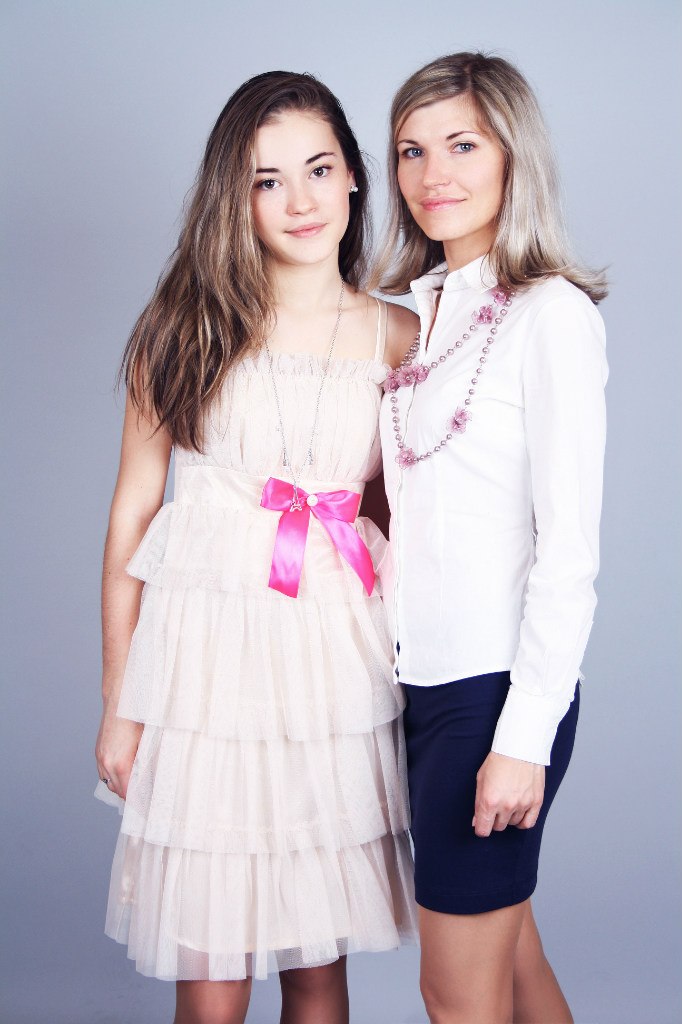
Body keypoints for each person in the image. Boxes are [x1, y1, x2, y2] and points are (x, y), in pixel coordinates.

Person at [95, 70, 419, 1024]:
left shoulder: (400, 336)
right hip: (205, 679)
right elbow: (131, 518)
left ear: (354, 175)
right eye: (267, 180)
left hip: (332, 676)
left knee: (318, 968)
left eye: (318, 169)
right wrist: (120, 703)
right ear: (232, 198)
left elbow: (400, 516)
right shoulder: (183, 329)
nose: (300, 200)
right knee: (213, 968)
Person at [374, 52, 608, 1024]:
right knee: (513, 967)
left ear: (514, 154)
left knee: (455, 993)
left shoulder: (551, 316)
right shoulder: (418, 318)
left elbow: (570, 550)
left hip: (493, 693)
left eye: (462, 145)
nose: (434, 174)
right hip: (412, 684)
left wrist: (521, 739)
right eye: (411, 150)